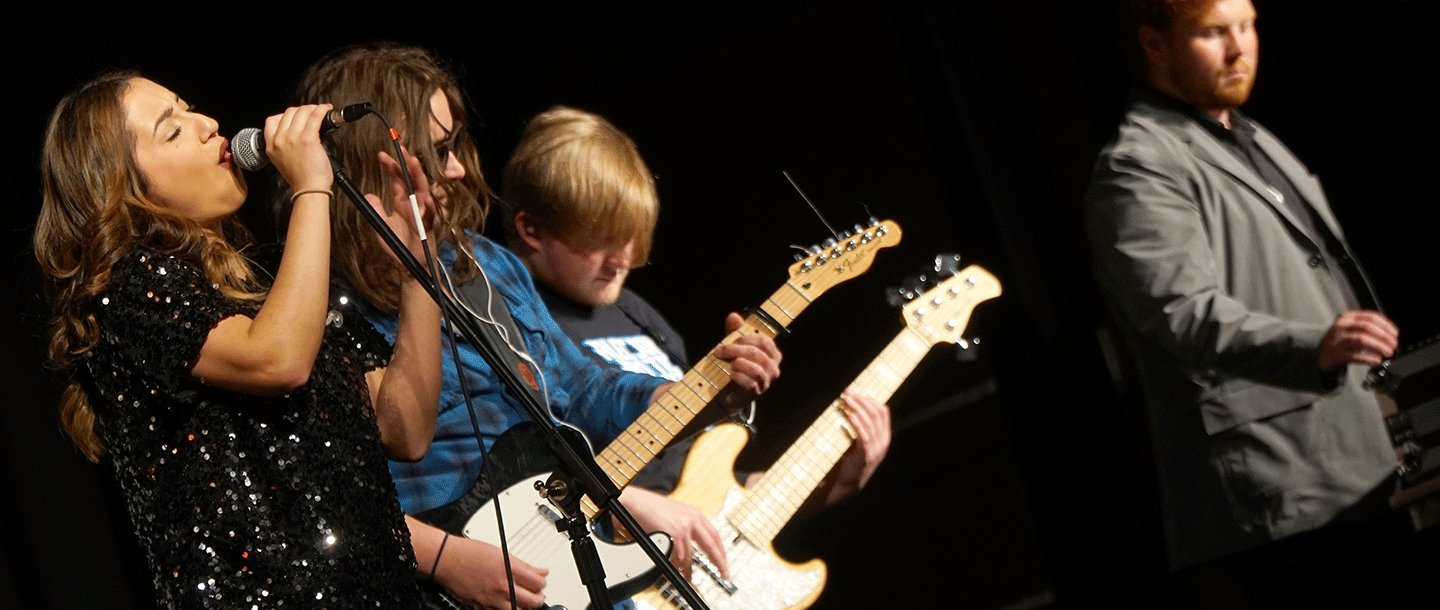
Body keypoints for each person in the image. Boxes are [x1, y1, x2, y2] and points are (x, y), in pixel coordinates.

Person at [283, 43, 782, 610]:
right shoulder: (315, 301)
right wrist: (445, 559)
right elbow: (322, 491)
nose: (457, 168)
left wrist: (701, 393)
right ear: (376, 159)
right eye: (437, 150)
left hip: (568, 567)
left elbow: (584, 390)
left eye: (455, 145)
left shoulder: (488, 264)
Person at [32, 70, 441, 608]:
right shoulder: (124, 291)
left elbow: (404, 430)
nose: (206, 125)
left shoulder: (274, 279)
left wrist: (417, 278)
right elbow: (276, 362)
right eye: (171, 130)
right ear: (122, 188)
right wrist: (311, 187)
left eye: (190, 107)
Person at [1085, 0, 1426, 604]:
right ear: (1155, 45)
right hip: (1282, 486)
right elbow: (1177, 312)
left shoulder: (1251, 137)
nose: (1241, 49)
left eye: (1247, 26)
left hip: (1355, 463)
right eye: (1214, 33)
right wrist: (1312, 345)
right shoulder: (1138, 165)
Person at [501, 105, 891, 582]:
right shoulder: (505, 319)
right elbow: (504, 472)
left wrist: (839, 479)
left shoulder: (638, 316)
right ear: (531, 229)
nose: (622, 259)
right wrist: (620, 502)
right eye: (599, 239)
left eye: (630, 237)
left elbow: (714, 497)